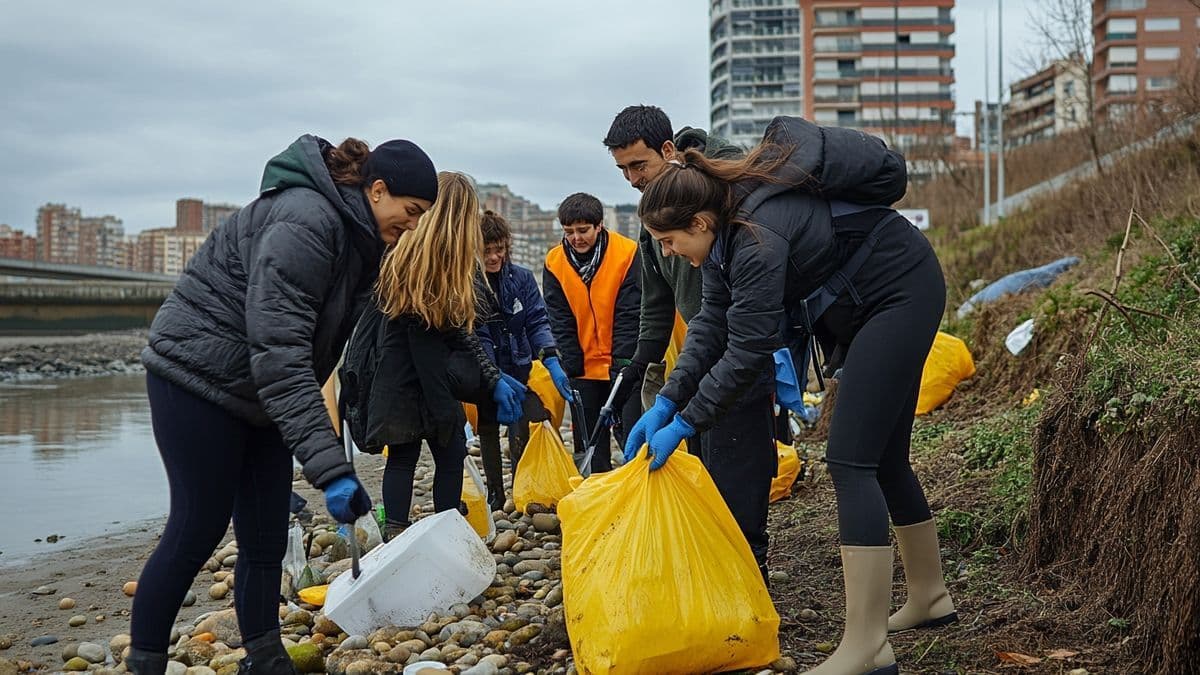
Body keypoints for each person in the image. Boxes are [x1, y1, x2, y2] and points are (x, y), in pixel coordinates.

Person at [632, 116, 956, 675]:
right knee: (885, 458)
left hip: (899, 292)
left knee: (850, 460)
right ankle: (929, 596)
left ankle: (867, 646)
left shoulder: (755, 238)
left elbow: (747, 350)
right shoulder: (724, 234)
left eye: (670, 241)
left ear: (700, 221)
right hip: (870, 301)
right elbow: (712, 323)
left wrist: (686, 424)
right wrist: (669, 399)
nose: (671, 253)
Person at [129, 135, 439, 675]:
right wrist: (330, 469)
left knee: (267, 531)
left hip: (259, 392)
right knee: (197, 526)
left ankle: (267, 658)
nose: (413, 225)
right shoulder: (307, 221)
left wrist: (328, 445)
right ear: (378, 189)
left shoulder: (361, 241)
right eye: (410, 212)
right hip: (196, 380)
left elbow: (315, 355)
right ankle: (146, 662)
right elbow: (281, 355)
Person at [605, 105, 779, 576]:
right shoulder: (657, 218)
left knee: (738, 468)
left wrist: (680, 413)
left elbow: (742, 337)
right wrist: (649, 374)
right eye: (622, 169)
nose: (631, 178)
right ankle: (715, 570)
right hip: (703, 351)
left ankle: (747, 577)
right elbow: (665, 303)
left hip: (740, 353)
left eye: (638, 165)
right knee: (703, 465)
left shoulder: (724, 210)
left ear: (668, 151)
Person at [362, 173, 531, 539]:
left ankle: (395, 536)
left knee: (403, 459)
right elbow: (455, 332)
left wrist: (492, 377)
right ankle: (449, 532)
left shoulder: (402, 251)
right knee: (451, 454)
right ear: (463, 217)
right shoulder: (450, 264)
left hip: (396, 377)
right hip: (430, 377)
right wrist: (489, 378)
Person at [474, 210, 573, 511]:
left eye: (499, 250)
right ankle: (495, 494)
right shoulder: (469, 283)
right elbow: (477, 334)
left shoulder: (522, 278)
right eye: (486, 251)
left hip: (521, 366)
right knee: (488, 430)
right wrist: (492, 376)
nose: (493, 257)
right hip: (484, 371)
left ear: (507, 247)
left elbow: (537, 322)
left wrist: (551, 358)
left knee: (523, 423)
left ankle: (521, 487)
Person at [542, 192, 641, 473]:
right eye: (569, 232)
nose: (576, 238)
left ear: (599, 226)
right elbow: (558, 318)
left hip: (622, 366)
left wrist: (623, 363)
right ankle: (598, 496)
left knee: (630, 437)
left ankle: (636, 494)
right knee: (589, 444)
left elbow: (630, 314)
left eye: (583, 230)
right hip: (582, 369)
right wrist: (570, 366)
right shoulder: (554, 262)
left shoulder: (627, 253)